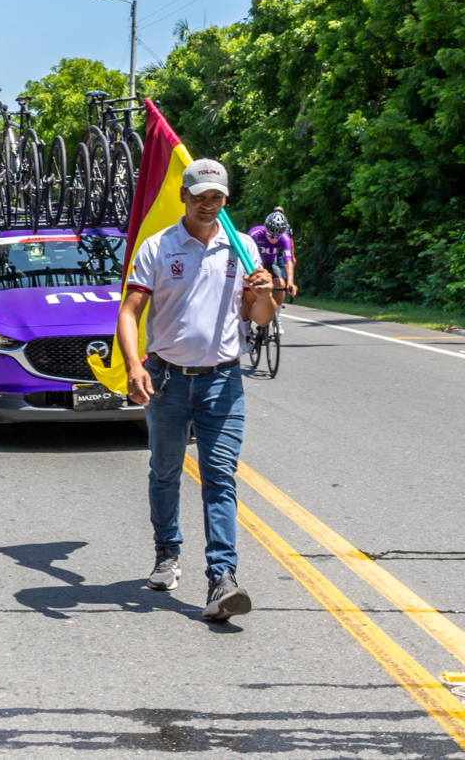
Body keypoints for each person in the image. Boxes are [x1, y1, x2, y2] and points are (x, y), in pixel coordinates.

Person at [116, 158, 276, 621]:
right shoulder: (158, 247)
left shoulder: (242, 247)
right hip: (166, 378)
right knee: (165, 471)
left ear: (226, 199)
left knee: (220, 476)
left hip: (223, 381)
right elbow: (129, 312)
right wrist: (134, 365)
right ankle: (167, 551)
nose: (208, 204)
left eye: (217, 197)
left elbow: (258, 316)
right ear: (184, 196)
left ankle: (222, 577)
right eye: (200, 196)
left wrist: (266, 293)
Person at [247, 209, 296, 332]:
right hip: (254, 264)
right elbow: (245, 254)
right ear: (265, 229)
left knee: (281, 284)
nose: (273, 239)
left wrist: (290, 282)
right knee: (250, 288)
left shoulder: (285, 238)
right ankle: (248, 320)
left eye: (277, 237)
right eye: (270, 236)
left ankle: (276, 319)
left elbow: (288, 261)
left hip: (270, 263)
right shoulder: (255, 233)